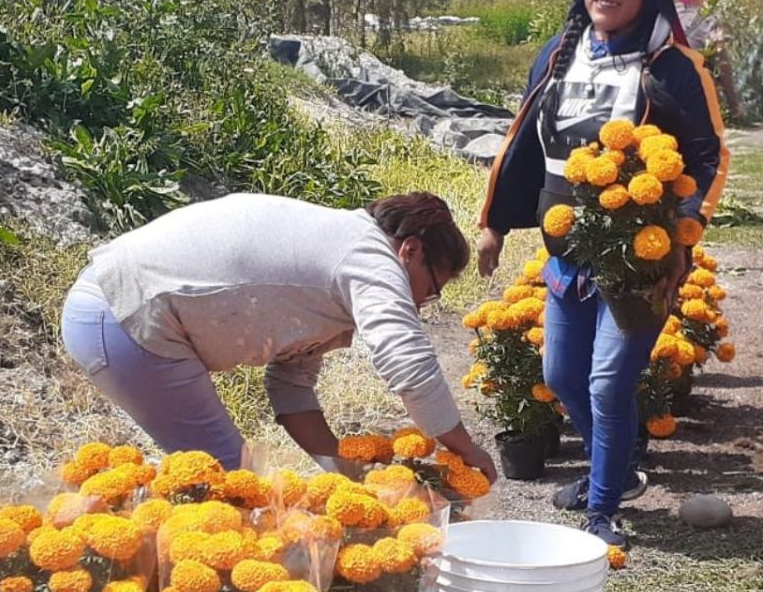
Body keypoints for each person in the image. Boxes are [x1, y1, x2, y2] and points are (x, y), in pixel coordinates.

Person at [475, 0, 728, 547]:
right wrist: (496, 225)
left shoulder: (674, 68)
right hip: (565, 255)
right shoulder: (559, 53)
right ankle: (616, 465)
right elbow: (523, 145)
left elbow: (707, 156)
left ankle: (603, 506)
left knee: (609, 381)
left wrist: (682, 223)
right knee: (562, 377)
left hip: (640, 262)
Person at [61, 191, 498, 483]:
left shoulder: (340, 258)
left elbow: (290, 384)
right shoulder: (369, 255)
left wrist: (343, 471)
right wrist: (466, 448)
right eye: (432, 288)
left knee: (223, 482)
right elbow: (408, 365)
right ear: (411, 250)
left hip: (116, 309)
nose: (422, 303)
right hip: (125, 311)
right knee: (229, 485)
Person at [677, 0, 746, 123]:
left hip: (661, 92)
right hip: (696, 95)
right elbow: (723, 65)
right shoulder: (709, 21)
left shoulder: (666, 16)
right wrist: (734, 105)